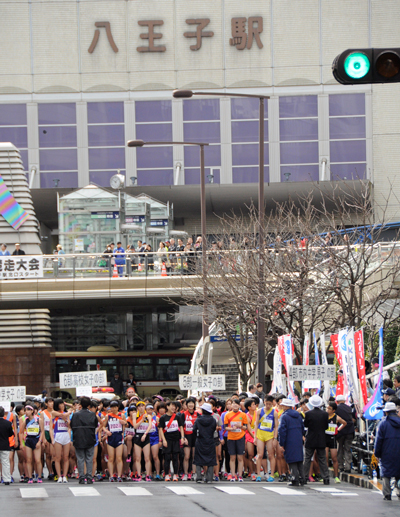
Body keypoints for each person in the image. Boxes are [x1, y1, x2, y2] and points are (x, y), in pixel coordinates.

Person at [374, 401, 400, 501]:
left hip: (386, 452)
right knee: (398, 472)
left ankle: (387, 494)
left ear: (386, 412)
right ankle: (399, 491)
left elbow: (378, 440)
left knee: (386, 473)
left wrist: (377, 453)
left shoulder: (383, 424)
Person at [303, 394, 330, 485]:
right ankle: (326, 477)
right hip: (321, 438)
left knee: (307, 458)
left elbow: (306, 425)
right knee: (322, 459)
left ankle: (304, 477)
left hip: (310, 438)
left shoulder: (308, 414)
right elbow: (326, 427)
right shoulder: (325, 414)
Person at [70, 396, 98, 484]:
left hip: (78, 438)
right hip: (90, 437)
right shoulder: (92, 414)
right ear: (89, 405)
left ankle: (81, 476)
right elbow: (95, 425)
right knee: (89, 458)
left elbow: (72, 426)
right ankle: (89, 476)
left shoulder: (76, 414)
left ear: (81, 404)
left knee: (80, 458)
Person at [278, 398, 305, 486]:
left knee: (291, 459)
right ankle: (302, 478)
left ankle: (295, 479)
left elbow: (282, 431)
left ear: (285, 406)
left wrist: (281, 443)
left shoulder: (284, 416)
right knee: (299, 459)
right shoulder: (298, 415)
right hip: (298, 439)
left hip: (289, 440)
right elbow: (302, 428)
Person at [158, 401, 185, 482]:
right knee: (167, 458)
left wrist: (182, 437)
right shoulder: (163, 418)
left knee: (175, 458)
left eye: (175, 406)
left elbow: (181, 427)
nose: (174, 408)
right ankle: (166, 474)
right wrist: (163, 440)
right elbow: (160, 429)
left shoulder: (177, 417)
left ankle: (175, 475)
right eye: (172, 406)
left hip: (176, 439)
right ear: (168, 407)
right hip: (167, 439)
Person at [254, 394, 278, 482]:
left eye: (270, 404)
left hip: (269, 435)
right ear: (264, 402)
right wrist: (255, 437)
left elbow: (276, 426)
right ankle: (258, 475)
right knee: (259, 455)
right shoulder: (259, 411)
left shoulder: (274, 412)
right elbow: (256, 424)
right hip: (260, 434)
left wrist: (275, 438)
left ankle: (271, 475)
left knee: (271, 455)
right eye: (266, 404)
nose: (268, 406)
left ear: (272, 404)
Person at [224, 398, 248, 482]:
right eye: (233, 403)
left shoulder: (243, 415)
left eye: (236, 404)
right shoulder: (228, 415)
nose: (235, 405)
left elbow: (246, 427)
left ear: (239, 405)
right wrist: (231, 428)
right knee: (232, 457)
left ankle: (240, 475)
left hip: (240, 437)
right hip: (231, 437)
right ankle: (233, 475)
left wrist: (240, 426)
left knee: (240, 457)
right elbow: (225, 427)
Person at [19, 404, 43, 483]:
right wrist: (22, 443)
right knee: (28, 460)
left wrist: (40, 441)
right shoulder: (25, 420)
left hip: (36, 440)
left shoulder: (39, 420)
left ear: (32, 411)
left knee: (37, 460)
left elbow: (42, 431)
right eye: (25, 410)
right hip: (28, 440)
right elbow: (21, 432)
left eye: (28, 410)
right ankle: (30, 477)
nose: (26, 412)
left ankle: (39, 476)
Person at [193, 402, 217, 483]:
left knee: (198, 458)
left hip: (200, 440)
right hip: (210, 440)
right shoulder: (213, 420)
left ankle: (199, 477)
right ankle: (209, 478)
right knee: (211, 459)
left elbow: (194, 429)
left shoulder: (198, 419)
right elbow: (214, 429)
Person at [325, 401, 347, 483]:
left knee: (334, 457)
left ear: (333, 410)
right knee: (325, 457)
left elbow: (344, 423)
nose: (327, 410)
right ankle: (325, 475)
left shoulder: (336, 417)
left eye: (329, 409)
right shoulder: (324, 416)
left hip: (332, 438)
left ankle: (336, 476)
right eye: (327, 408)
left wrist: (338, 429)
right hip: (325, 438)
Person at [335, 394, 355, 473]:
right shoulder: (349, 408)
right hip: (350, 431)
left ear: (337, 401)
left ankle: (340, 466)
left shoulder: (336, 408)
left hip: (340, 431)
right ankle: (348, 466)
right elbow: (353, 419)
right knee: (347, 449)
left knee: (340, 448)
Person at [0, 406, 14, 485]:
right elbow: (10, 434)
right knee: (5, 462)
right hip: (5, 444)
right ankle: (7, 479)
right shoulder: (8, 423)